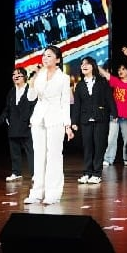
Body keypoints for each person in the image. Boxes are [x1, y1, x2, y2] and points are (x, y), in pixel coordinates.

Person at [24, 45, 75, 205]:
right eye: (44, 55)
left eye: (49, 56)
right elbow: (31, 98)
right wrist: (32, 81)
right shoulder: (39, 75)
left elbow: (65, 103)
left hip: (56, 119)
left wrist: (67, 125)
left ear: (57, 60)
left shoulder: (63, 78)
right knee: (39, 156)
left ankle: (53, 193)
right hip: (38, 119)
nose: (45, 58)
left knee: (54, 156)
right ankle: (37, 192)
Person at [71, 56, 117, 185]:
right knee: (87, 146)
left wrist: (114, 113)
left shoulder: (102, 82)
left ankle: (97, 173)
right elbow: (77, 105)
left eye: (87, 64)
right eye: (82, 64)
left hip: (100, 118)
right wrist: (74, 121)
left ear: (93, 66)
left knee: (99, 146)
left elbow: (109, 98)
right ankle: (87, 172)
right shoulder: (79, 85)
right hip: (85, 119)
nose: (84, 66)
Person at [0, 67, 36, 182]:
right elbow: (7, 109)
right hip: (14, 125)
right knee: (14, 151)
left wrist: (33, 120)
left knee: (31, 151)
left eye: (18, 75)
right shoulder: (11, 91)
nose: (15, 77)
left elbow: (34, 107)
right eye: (14, 75)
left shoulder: (31, 90)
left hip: (27, 125)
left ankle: (35, 174)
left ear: (25, 77)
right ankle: (16, 173)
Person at [100, 61, 127, 166]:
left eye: (123, 69)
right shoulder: (116, 81)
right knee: (111, 138)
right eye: (119, 70)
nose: (120, 71)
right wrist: (96, 66)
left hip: (126, 116)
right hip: (115, 115)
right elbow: (105, 74)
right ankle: (108, 159)